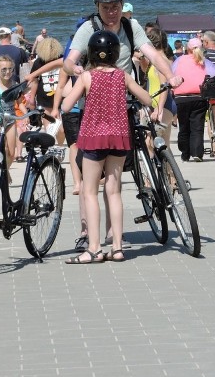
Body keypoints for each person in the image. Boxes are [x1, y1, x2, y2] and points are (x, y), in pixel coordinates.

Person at [62, 30, 153, 265]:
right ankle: (117, 248)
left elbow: (66, 106)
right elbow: (146, 99)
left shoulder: (87, 77)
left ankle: (93, 249)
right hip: (119, 137)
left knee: (89, 191)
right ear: (116, 54)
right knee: (114, 191)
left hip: (93, 138)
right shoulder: (123, 76)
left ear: (91, 54)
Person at [172, 37, 215, 162]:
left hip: (180, 97)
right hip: (199, 97)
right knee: (197, 126)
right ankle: (197, 153)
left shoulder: (179, 60)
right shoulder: (204, 61)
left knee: (183, 127)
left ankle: (185, 153)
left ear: (187, 49)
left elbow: (171, 74)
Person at [144, 25, 176, 149]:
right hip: (162, 105)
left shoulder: (160, 61)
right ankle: (167, 168)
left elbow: (164, 86)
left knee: (150, 143)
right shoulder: (161, 60)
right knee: (165, 145)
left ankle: (153, 168)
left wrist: (159, 109)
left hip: (163, 105)